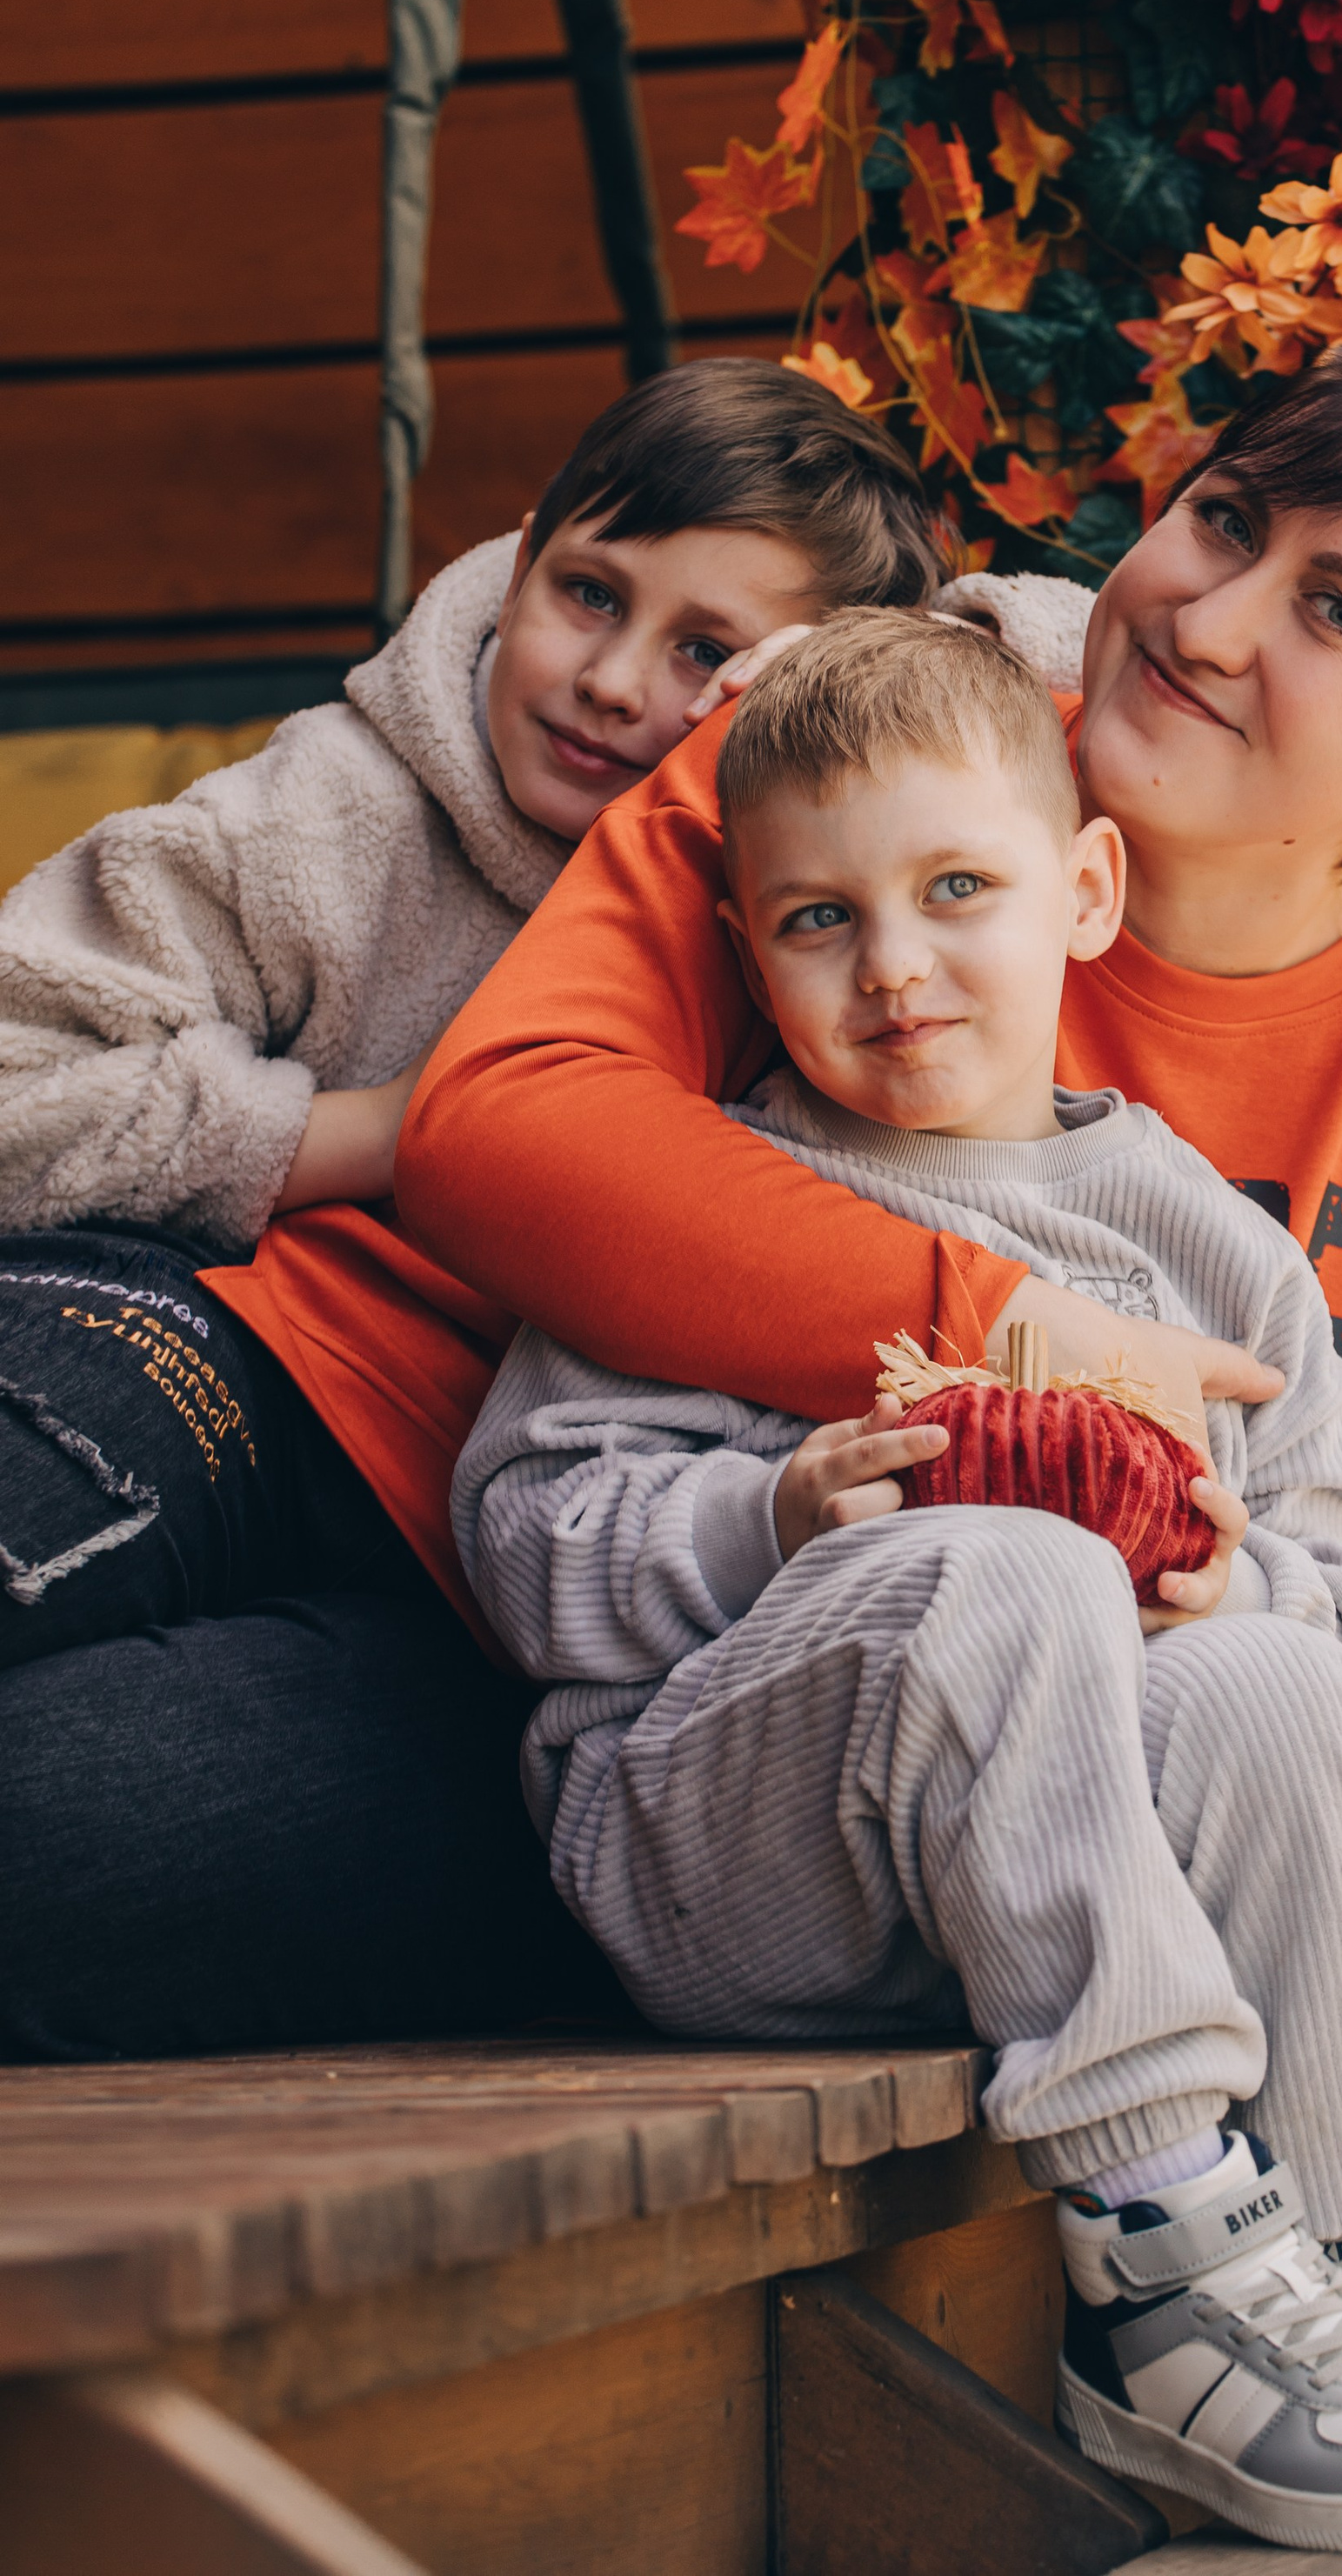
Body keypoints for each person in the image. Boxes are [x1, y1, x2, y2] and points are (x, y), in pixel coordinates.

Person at [398, 339, 1342, 2431]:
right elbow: (502, 1133)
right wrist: (1008, 1346)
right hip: (568, 1633)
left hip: (1089, 1840)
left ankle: (1328, 2315)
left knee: (1263, 1671)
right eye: (1225, 518)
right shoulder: (878, 767)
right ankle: (1184, 2277)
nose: (1211, 614)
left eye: (1335, 612)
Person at [453, 606, 1342, 2550]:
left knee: (1277, 1685)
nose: (891, 968)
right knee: (999, 1569)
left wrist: (1236, 1597)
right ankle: (1151, 2265)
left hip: (1038, 1905)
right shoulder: (722, 1204)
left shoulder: (1202, 1246)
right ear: (749, 951)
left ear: (1087, 891)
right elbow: (529, 1540)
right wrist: (772, 1518)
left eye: (958, 887)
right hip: (731, 1873)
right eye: (815, 921)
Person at [0, 361, 951, 2055]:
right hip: (231, 1355)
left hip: (488, 1609)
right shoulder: (354, 804)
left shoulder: (840, 900)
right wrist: (405, 1132)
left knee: (67, 1834)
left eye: (705, 656)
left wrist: (876, 683)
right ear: (518, 563)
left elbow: (1067, 658)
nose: (605, 681)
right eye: (587, 594)